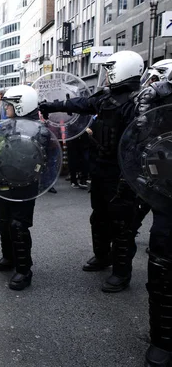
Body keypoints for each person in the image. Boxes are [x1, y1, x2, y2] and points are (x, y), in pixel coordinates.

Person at [39, 50, 144, 293]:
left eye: (110, 70)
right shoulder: (108, 98)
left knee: (121, 224)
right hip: (102, 167)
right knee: (99, 216)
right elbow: (82, 104)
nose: (106, 76)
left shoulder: (137, 102)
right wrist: (51, 104)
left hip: (122, 173)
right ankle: (102, 256)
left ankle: (121, 272)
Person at [131, 71, 172, 366]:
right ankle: (164, 339)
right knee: (164, 266)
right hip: (169, 191)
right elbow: (147, 142)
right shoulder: (160, 95)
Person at [0, 85, 49, 290]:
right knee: (5, 220)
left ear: (21, 105)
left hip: (25, 184)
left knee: (18, 225)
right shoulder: (9, 125)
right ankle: (9, 257)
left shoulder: (39, 129)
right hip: (4, 181)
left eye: (10, 104)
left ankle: (24, 270)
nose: (6, 107)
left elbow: (42, 159)